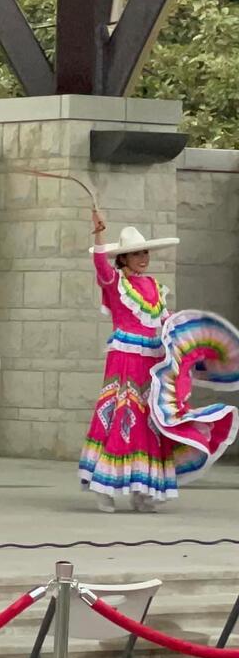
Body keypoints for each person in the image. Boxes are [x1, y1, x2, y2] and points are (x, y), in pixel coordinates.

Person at [80, 211, 225, 512]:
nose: (142, 257)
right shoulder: (115, 282)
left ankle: (142, 489)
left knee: (151, 422)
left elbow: (165, 320)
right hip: (125, 360)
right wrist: (99, 234)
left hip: (153, 362)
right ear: (123, 259)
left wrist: (189, 344)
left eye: (144, 251)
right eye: (135, 253)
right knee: (122, 417)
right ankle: (105, 485)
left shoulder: (154, 287)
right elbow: (100, 266)